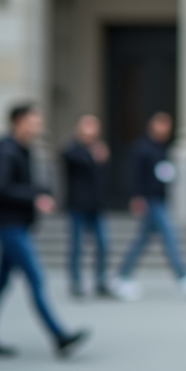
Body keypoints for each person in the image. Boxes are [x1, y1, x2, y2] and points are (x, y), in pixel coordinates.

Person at [0, 102, 88, 358]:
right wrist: (34, 197)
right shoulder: (7, 151)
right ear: (19, 121)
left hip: (16, 223)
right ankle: (59, 335)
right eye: (34, 120)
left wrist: (37, 193)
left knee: (0, 283)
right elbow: (1, 188)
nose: (38, 124)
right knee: (35, 278)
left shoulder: (21, 150)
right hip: (9, 224)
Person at [112, 112, 186, 300]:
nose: (165, 129)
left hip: (160, 198)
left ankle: (121, 277)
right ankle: (183, 277)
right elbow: (135, 174)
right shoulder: (142, 148)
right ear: (153, 125)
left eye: (167, 125)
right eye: (161, 124)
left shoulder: (163, 148)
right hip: (150, 200)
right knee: (169, 237)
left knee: (141, 241)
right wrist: (136, 197)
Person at [61, 114, 115, 298]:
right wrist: (94, 156)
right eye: (87, 126)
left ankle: (100, 281)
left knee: (103, 244)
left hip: (97, 206)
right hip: (78, 206)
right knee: (77, 247)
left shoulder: (100, 150)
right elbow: (76, 161)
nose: (91, 131)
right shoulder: (72, 150)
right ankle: (75, 282)